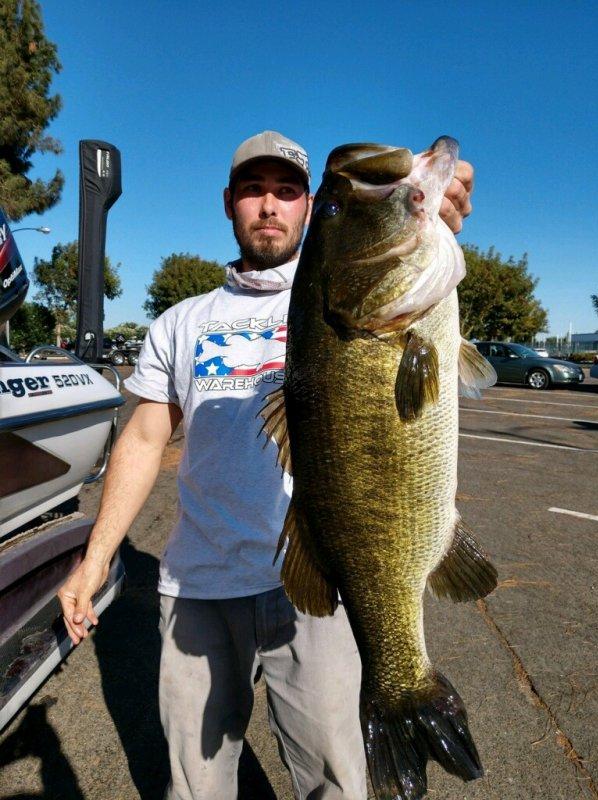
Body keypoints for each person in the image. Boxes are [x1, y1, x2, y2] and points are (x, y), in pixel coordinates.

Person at [58, 130, 474, 800]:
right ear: (229, 203)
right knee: (195, 787)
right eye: (254, 190)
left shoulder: (333, 289)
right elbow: (141, 441)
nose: (270, 206)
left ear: (309, 207)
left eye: (288, 191)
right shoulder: (180, 322)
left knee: (337, 782)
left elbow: (423, 262)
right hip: (198, 584)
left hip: (317, 583)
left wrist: (436, 209)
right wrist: (99, 555)